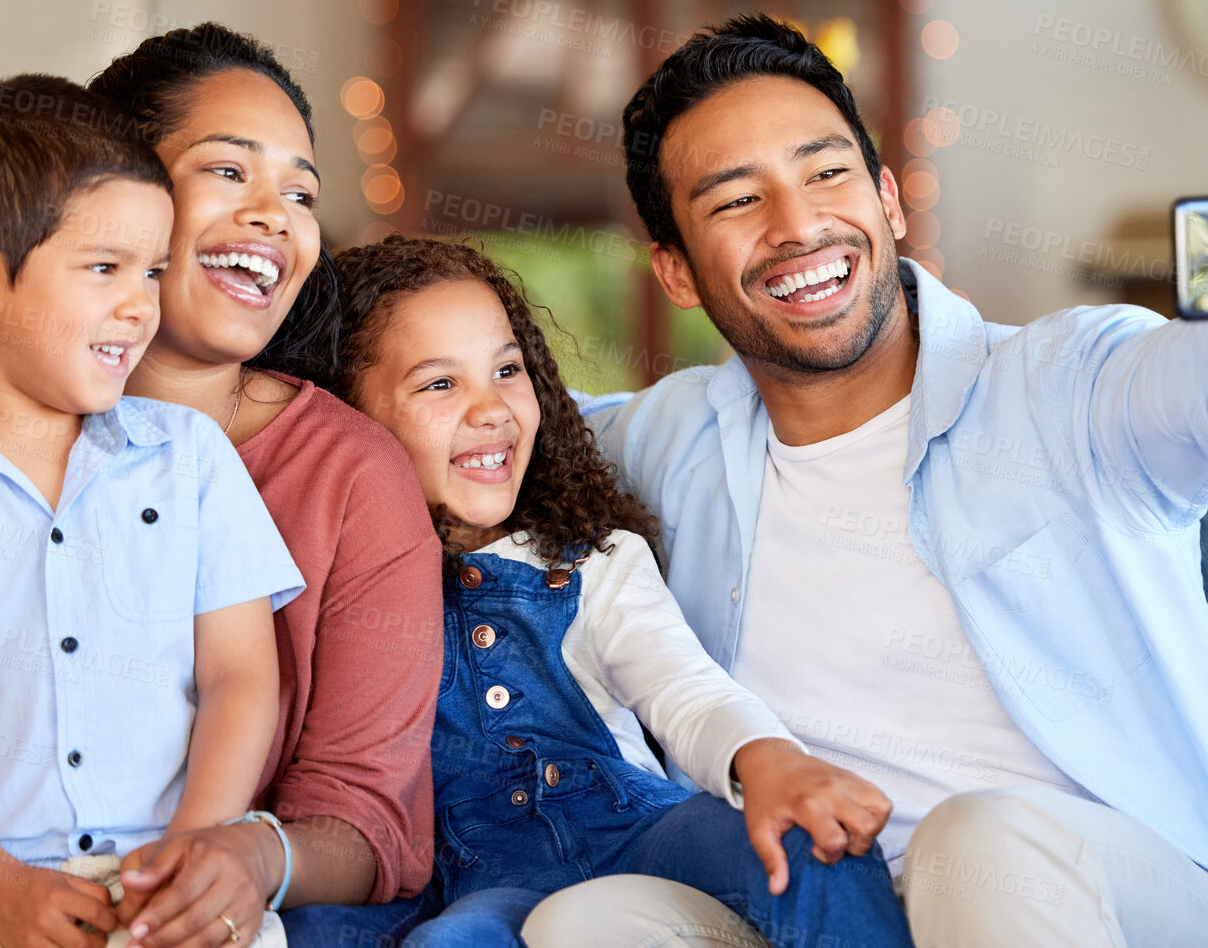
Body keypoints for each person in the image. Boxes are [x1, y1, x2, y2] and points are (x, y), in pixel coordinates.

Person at [522, 14, 1208, 948]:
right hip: (841, 913)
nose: (797, 226)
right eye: (734, 202)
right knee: (587, 920)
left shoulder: (1065, 382)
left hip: (1108, 899)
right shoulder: (662, 442)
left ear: (887, 198)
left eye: (825, 173)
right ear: (674, 271)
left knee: (979, 840)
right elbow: (478, 425)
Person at [0, 26, 445, 948]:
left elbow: (360, 807)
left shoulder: (330, 472)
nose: (277, 215)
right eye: (230, 171)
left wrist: (227, 857)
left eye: (301, 191)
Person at [279, 236, 916, 948]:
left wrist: (767, 759)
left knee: (804, 844)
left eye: (506, 369)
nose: (491, 408)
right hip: (476, 879)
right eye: (438, 383)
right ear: (345, 416)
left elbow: (683, 687)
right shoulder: (333, 586)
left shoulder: (590, 560)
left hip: (636, 832)